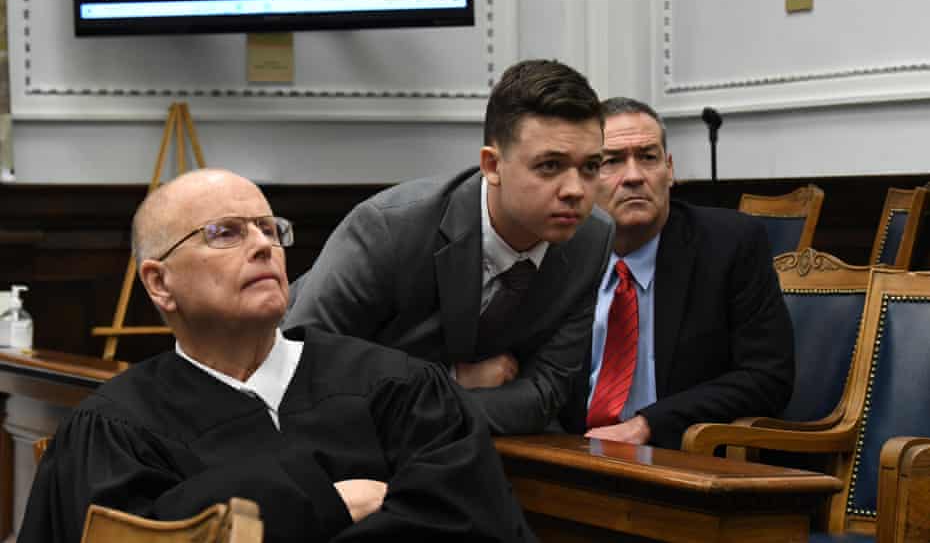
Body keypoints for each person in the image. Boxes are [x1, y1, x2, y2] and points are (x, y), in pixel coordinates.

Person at [20, 169, 537, 543]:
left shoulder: (399, 389)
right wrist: (330, 503)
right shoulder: (114, 429)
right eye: (226, 232)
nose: (264, 245)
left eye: (270, 229)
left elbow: (471, 522)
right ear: (160, 283)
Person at [283, 59, 614, 435]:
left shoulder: (593, 237)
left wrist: (436, 400)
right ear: (492, 165)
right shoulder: (390, 227)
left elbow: (544, 394)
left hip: (454, 437)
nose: (575, 190)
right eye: (550, 166)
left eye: (590, 167)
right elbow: (304, 373)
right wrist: (452, 379)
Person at [560, 98, 794, 450]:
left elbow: (767, 376)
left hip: (679, 458)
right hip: (572, 454)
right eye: (612, 161)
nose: (634, 176)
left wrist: (648, 425)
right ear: (586, 178)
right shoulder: (561, 253)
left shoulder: (729, 246)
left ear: (669, 170)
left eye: (649, 157)